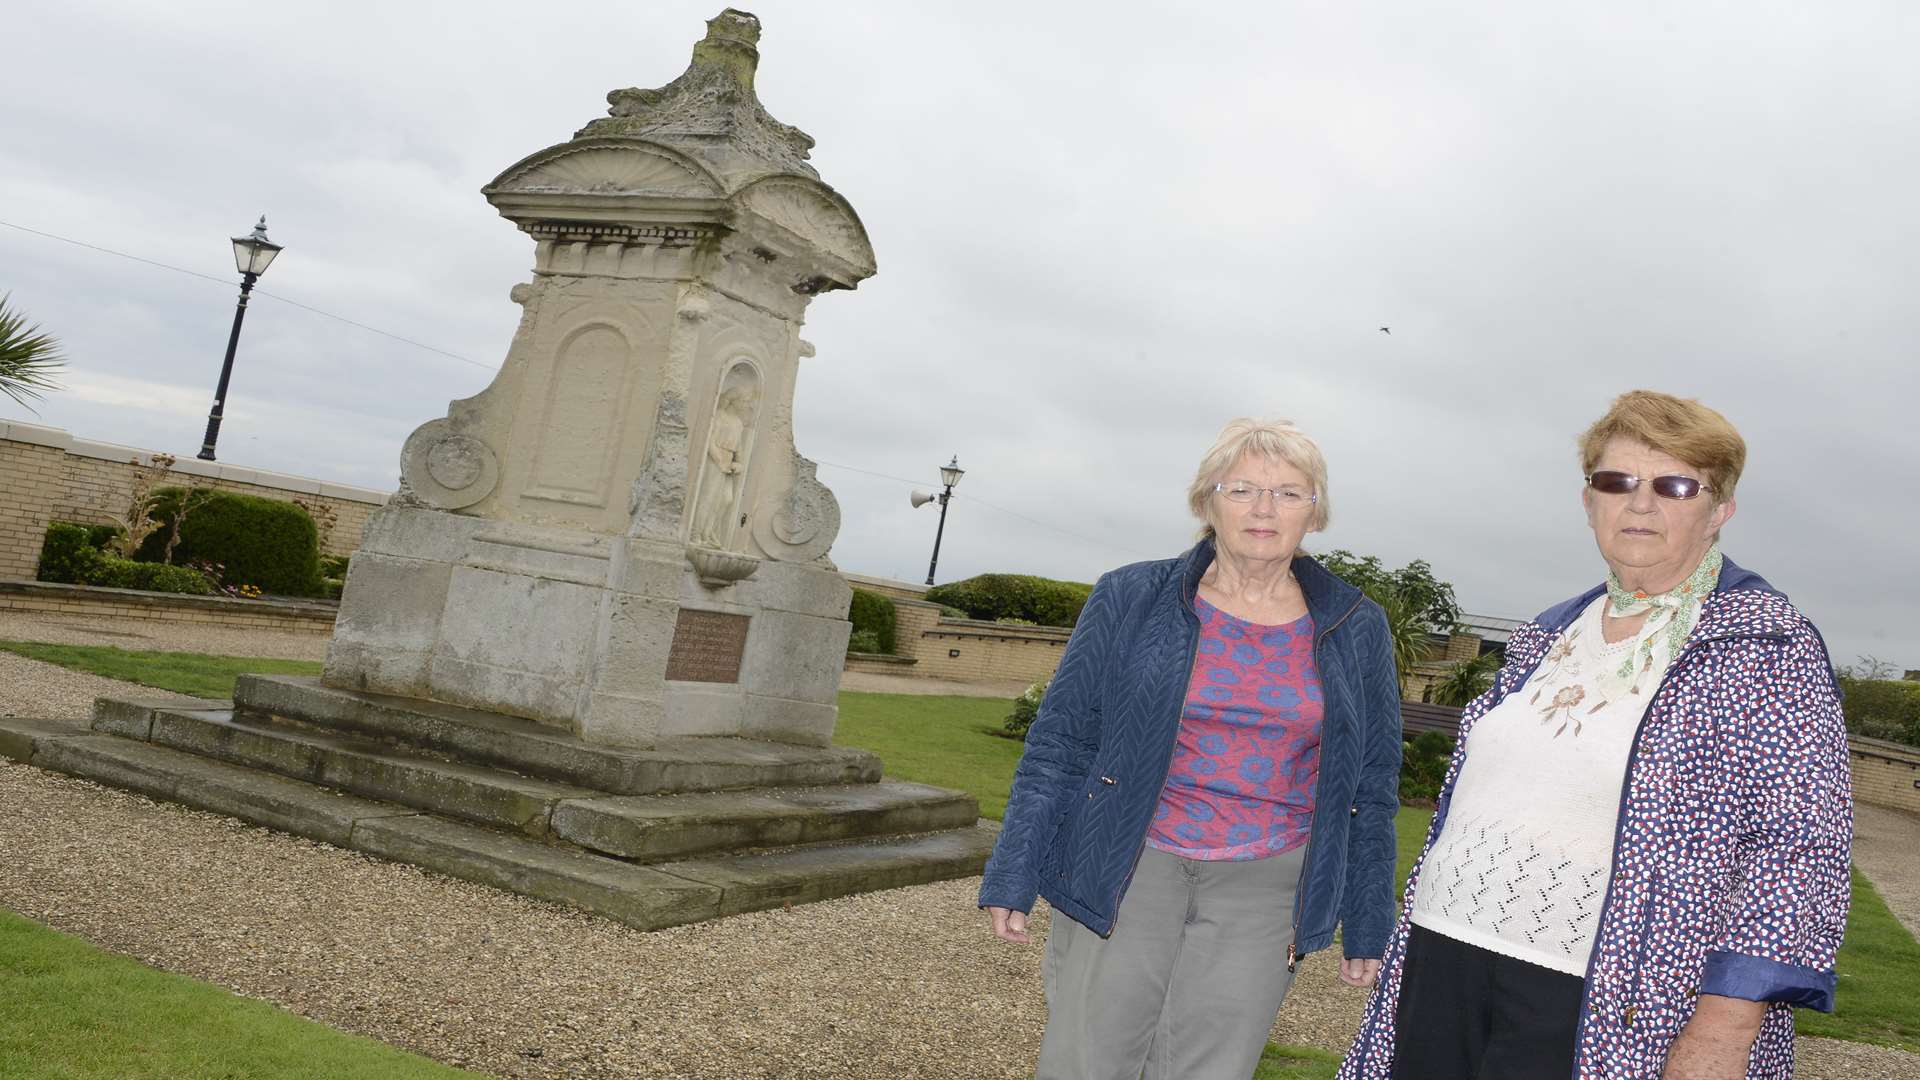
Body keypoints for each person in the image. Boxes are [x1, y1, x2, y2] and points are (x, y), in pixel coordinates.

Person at [1338, 390, 1852, 1080]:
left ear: (1719, 509)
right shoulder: (1547, 635)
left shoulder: (1762, 645)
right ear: (1589, 503)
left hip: (1600, 993)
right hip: (1443, 955)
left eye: (1674, 485)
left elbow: (1797, 847)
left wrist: (1726, 1025)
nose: (1640, 504)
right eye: (1617, 482)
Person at [979, 417, 1403, 1080]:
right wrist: (1015, 867)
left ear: (1314, 514)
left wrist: (1369, 917)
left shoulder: (1357, 626)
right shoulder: (1132, 595)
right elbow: (1062, 740)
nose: (1265, 509)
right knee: (1089, 1059)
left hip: (1267, 880)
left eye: (1290, 494)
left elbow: (1372, 787)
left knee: (1208, 1067)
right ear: (1207, 502)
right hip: (1130, 856)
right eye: (1242, 490)